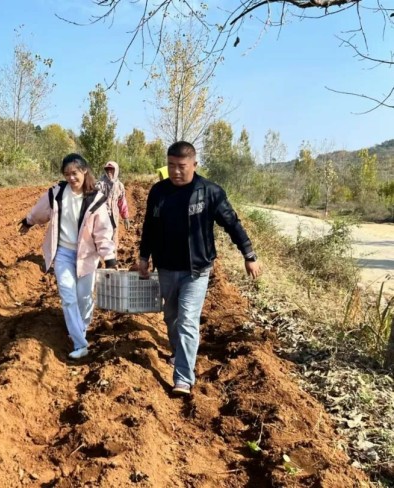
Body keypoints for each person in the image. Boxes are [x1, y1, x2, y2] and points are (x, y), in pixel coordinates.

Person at [138, 141, 260, 396]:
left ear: (194, 164)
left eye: (181, 166)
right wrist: (144, 256)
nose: (176, 171)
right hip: (167, 268)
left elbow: (232, 223)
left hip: (196, 270)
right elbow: (149, 226)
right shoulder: (158, 192)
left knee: (187, 320)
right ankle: (178, 352)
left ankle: (183, 377)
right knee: (171, 318)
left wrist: (249, 254)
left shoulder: (209, 192)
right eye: (171, 166)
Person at [19, 153, 117, 360]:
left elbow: (103, 232)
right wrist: (28, 222)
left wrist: (110, 258)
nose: (71, 178)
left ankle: (80, 329)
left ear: (84, 171)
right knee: (68, 296)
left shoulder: (96, 199)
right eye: (67, 174)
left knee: (84, 298)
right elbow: (39, 211)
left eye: (74, 173)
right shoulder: (56, 194)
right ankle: (80, 343)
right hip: (63, 252)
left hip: (87, 255)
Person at [96, 161, 130, 247]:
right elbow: (94, 200)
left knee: (114, 238)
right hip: (102, 216)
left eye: (111, 170)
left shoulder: (119, 186)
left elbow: (122, 202)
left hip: (114, 216)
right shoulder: (101, 184)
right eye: (107, 170)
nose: (109, 172)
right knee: (102, 238)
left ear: (116, 171)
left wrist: (125, 217)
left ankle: (113, 258)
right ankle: (101, 258)